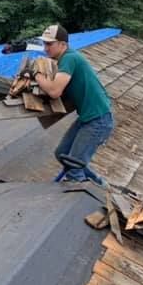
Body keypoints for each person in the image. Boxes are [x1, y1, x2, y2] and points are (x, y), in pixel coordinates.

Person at [34, 24, 114, 185]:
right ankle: (98, 183)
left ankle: (81, 199)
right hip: (88, 118)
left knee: (74, 168)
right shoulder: (63, 59)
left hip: (98, 120)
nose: (46, 48)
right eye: (44, 44)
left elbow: (55, 91)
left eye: (50, 44)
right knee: (62, 153)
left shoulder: (70, 58)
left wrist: (36, 75)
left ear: (63, 44)